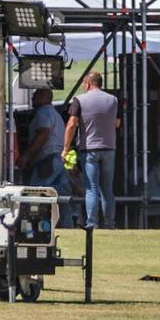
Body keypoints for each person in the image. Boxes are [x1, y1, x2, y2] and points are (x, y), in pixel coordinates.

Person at [64, 72, 121, 229]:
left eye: (84, 84)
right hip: (109, 148)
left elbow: (71, 124)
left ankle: (92, 224)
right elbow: (117, 123)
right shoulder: (113, 100)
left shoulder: (79, 100)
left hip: (89, 149)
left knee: (91, 189)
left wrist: (65, 149)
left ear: (88, 83)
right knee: (107, 189)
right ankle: (110, 224)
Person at [21, 86, 65, 189]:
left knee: (37, 192)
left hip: (47, 160)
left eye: (35, 96)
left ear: (44, 97)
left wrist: (26, 155)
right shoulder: (56, 115)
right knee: (60, 193)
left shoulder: (43, 113)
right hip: (58, 160)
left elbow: (43, 133)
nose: (32, 99)